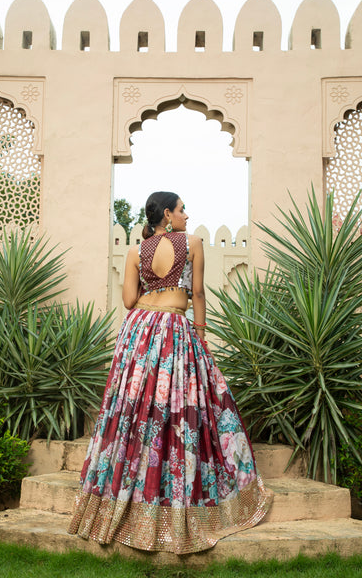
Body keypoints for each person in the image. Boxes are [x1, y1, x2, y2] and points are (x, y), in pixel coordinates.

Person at [68, 191, 272, 554]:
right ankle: (182, 498)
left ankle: (119, 497)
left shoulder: (135, 251)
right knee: (182, 407)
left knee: (136, 410)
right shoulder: (192, 244)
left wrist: (152, 295)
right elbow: (196, 294)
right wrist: (202, 334)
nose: (186, 215)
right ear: (167, 214)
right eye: (182, 209)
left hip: (140, 332)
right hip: (176, 331)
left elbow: (128, 301)